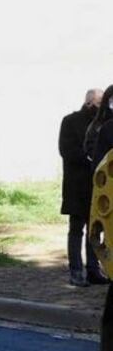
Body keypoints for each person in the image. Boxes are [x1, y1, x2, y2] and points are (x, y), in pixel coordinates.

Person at [59, 88, 106, 286]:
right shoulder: (70, 121)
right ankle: (76, 271)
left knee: (94, 231)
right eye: (99, 102)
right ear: (89, 103)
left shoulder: (103, 124)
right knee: (76, 229)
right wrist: (90, 159)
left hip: (98, 186)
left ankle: (93, 270)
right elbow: (67, 150)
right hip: (77, 185)